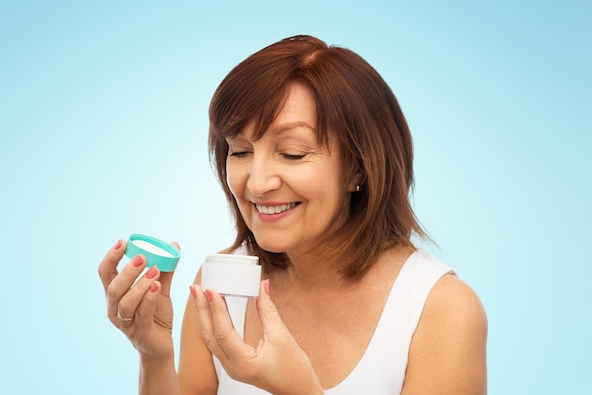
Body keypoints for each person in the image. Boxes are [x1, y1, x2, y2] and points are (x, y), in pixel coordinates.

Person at [98, 34, 487, 394]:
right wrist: (155, 355)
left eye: (293, 153)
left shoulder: (440, 310)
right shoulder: (222, 285)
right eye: (240, 151)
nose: (258, 182)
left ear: (359, 168)